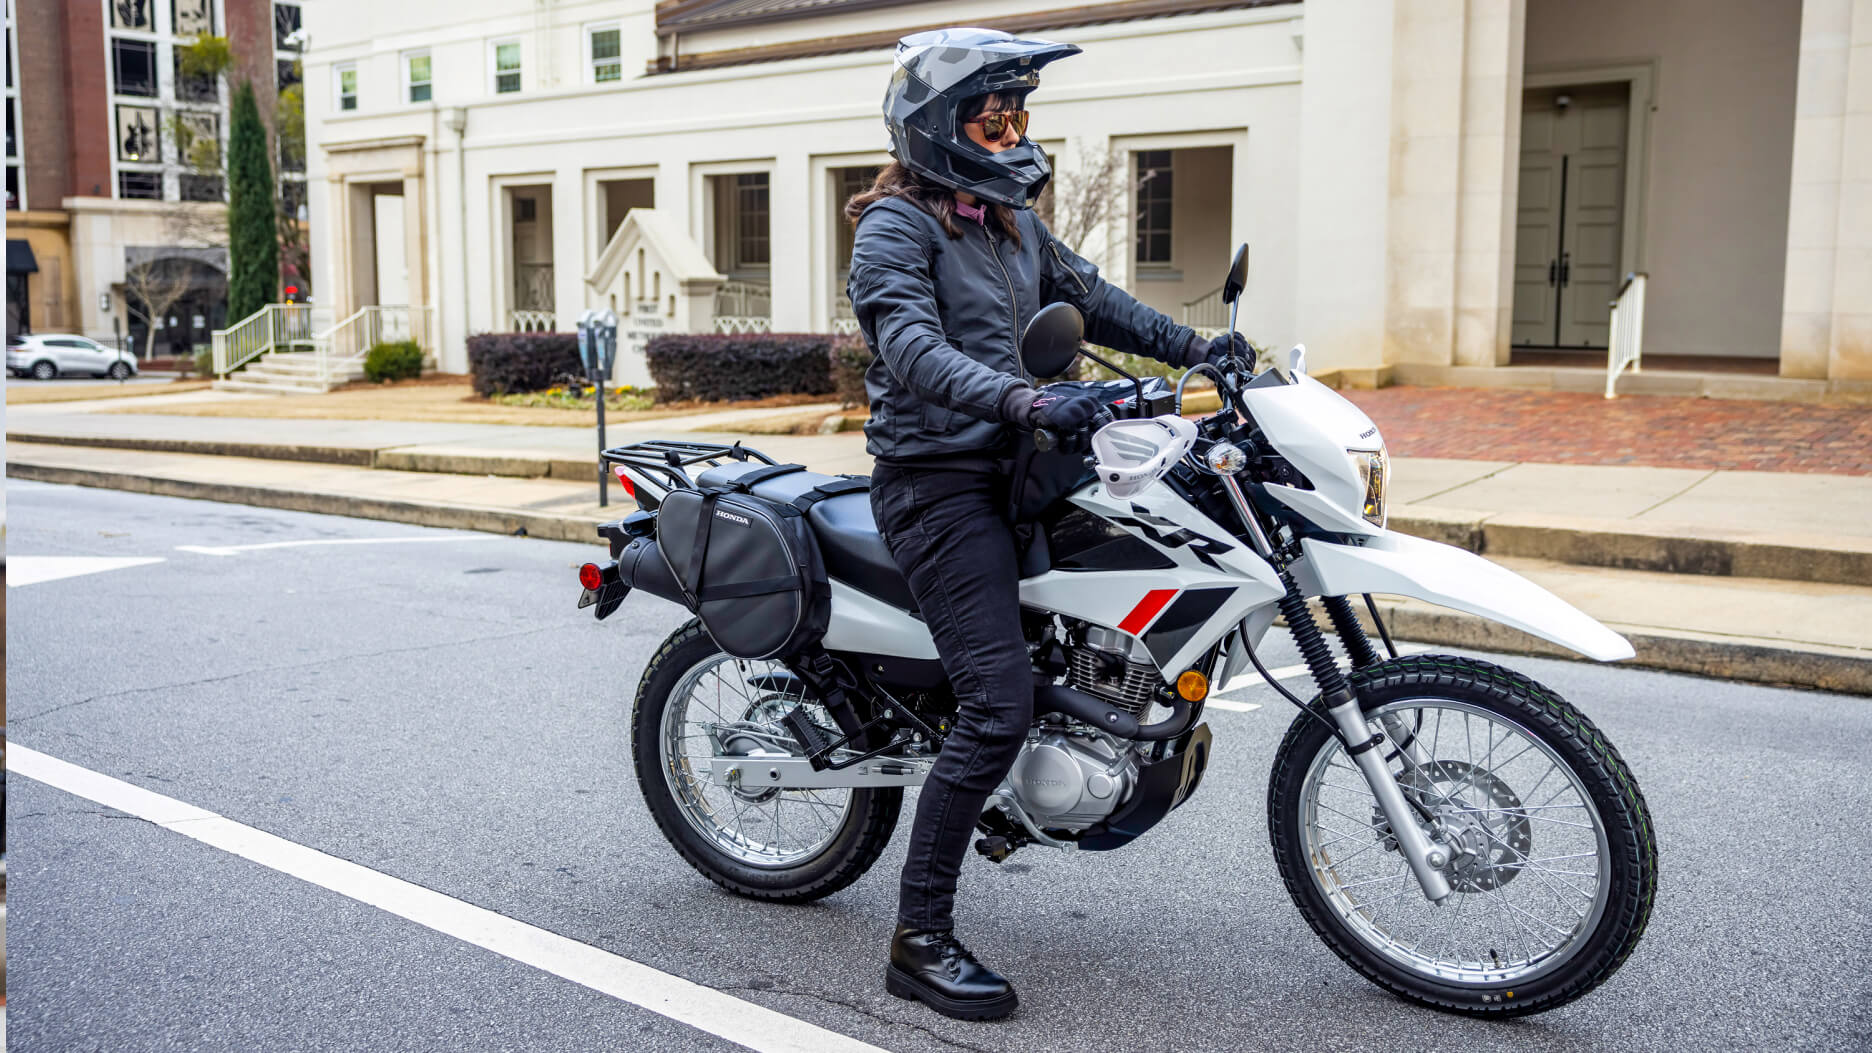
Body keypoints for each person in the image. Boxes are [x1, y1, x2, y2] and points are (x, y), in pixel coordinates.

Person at [844, 28, 1245, 1021]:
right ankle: (919, 938)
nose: (1015, 132)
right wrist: (1025, 402)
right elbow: (911, 349)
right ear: (943, 127)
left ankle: (1095, 735)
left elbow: (1093, 302)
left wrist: (1205, 349)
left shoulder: (1012, 220)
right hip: (939, 483)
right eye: (997, 116)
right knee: (996, 700)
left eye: (1021, 115)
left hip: (1028, 463)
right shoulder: (897, 229)